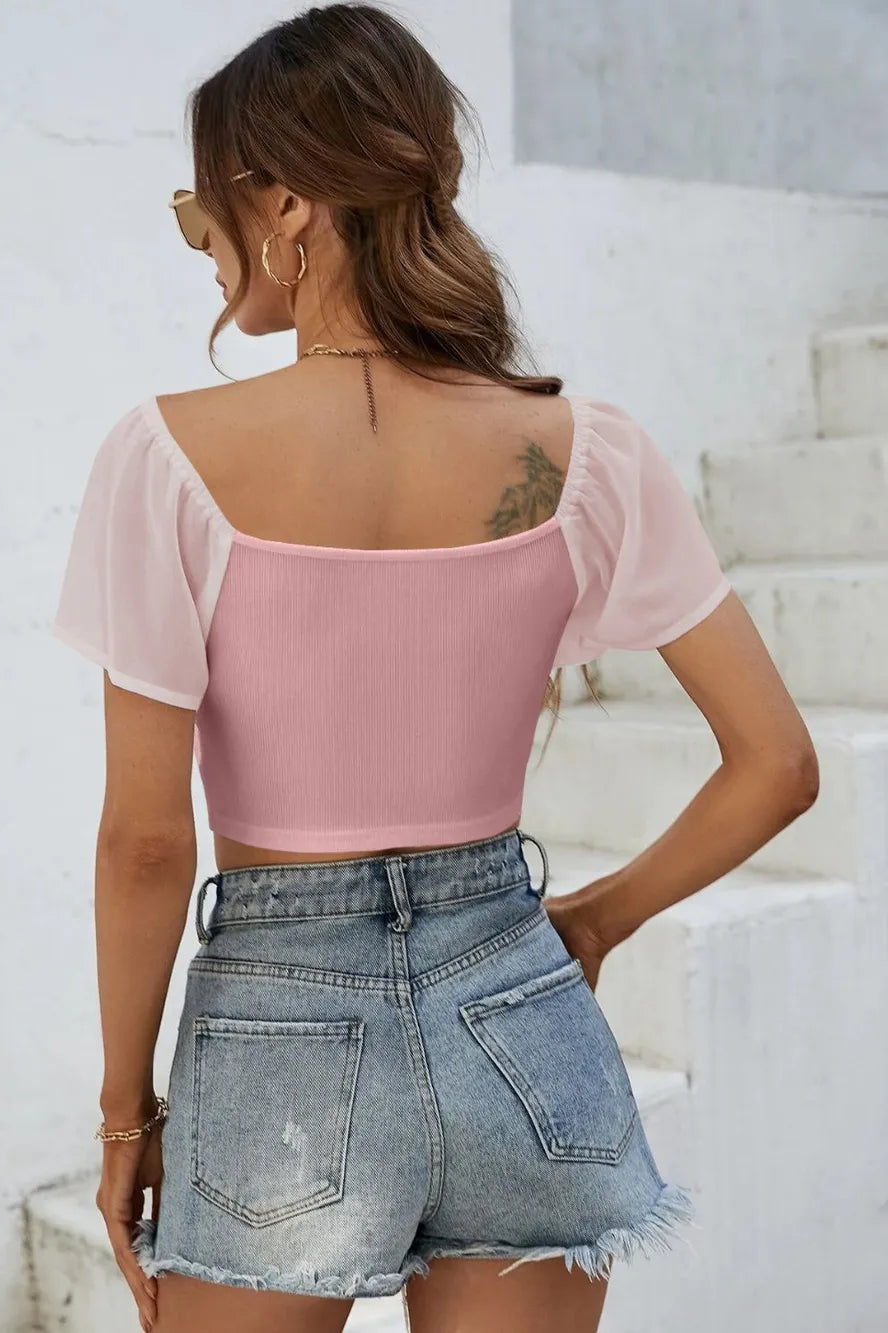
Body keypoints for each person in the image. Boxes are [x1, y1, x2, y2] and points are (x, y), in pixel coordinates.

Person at [51, 6, 819, 1332]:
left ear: (285, 203)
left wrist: (127, 1113)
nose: (200, 241)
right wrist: (592, 922)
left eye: (200, 206)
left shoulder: (166, 459)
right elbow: (779, 765)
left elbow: (143, 844)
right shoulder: (583, 451)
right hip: (518, 1009)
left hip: (280, 1029)